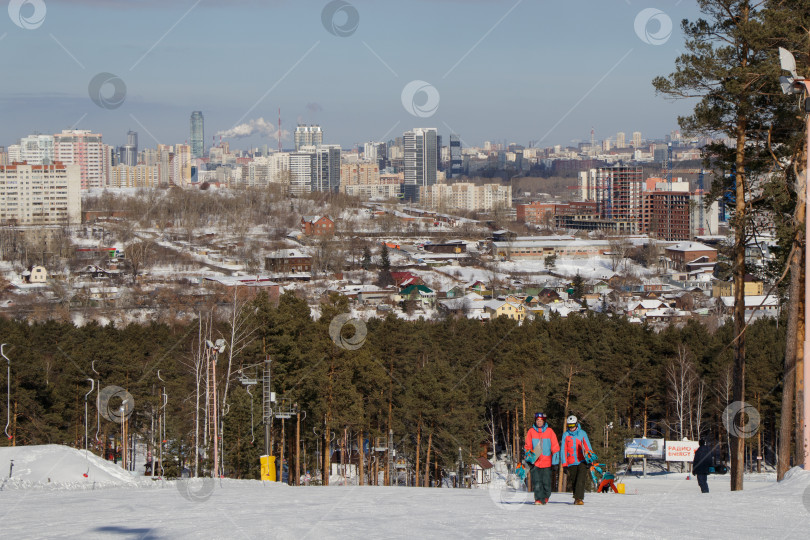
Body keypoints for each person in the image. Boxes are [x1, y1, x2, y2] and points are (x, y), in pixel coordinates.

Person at [524, 412, 560, 505]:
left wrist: (555, 462)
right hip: (535, 462)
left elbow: (555, 447)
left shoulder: (550, 431)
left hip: (547, 462)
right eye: (537, 420)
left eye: (541, 421)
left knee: (546, 483)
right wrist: (529, 460)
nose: (539, 422)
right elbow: (528, 447)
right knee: (537, 482)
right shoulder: (531, 432)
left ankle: (546, 496)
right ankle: (538, 499)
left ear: (544, 421)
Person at [560, 415, 594, 505]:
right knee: (574, 480)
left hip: (582, 460)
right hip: (571, 462)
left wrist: (590, 460)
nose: (571, 428)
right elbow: (563, 449)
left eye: (573, 426)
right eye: (569, 426)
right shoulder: (566, 435)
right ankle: (576, 498)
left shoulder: (582, 433)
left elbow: (588, 447)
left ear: (576, 424)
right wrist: (564, 464)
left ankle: (579, 498)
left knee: (580, 479)